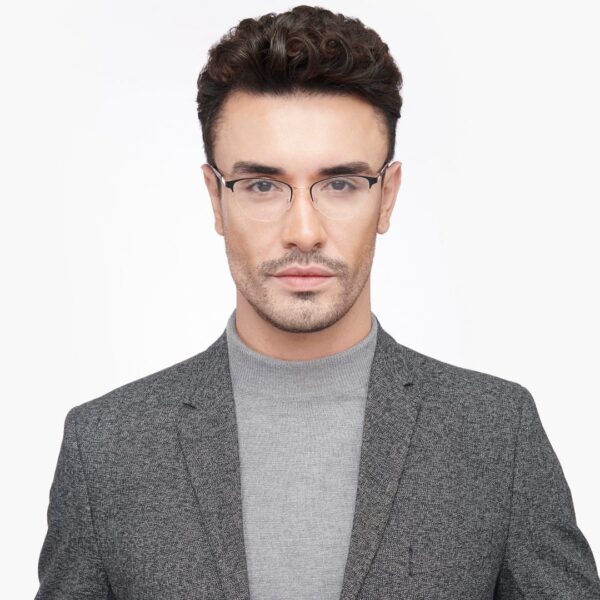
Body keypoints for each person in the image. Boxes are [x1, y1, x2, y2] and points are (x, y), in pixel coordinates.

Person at [35, 5, 600, 599]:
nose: (303, 231)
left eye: (340, 184)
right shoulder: (105, 448)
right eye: (261, 185)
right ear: (215, 198)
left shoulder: (496, 434)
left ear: (387, 197)